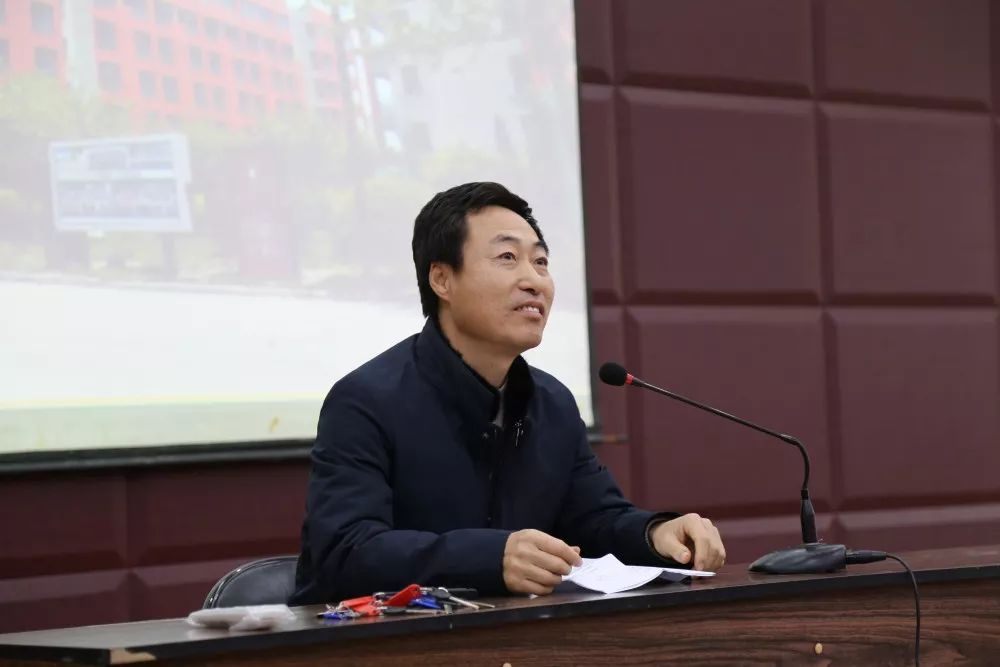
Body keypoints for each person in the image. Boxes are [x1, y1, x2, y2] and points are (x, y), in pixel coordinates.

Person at [290, 182, 725, 604]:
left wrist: (655, 534)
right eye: (507, 257)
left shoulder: (552, 403)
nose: (534, 280)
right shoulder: (365, 401)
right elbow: (345, 551)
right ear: (442, 279)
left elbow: (596, 520)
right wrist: (489, 558)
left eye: (541, 262)